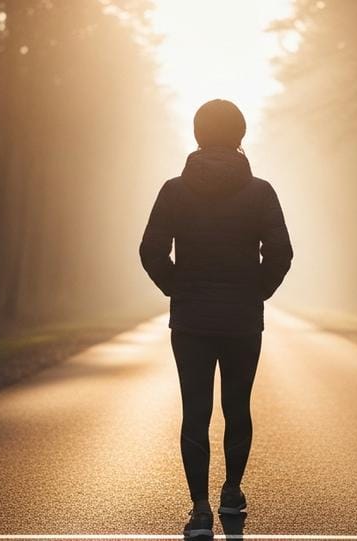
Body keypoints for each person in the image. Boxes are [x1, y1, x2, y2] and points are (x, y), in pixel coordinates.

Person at [139, 99, 293, 539]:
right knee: (237, 407)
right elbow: (281, 253)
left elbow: (150, 251)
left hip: (190, 321)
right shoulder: (261, 191)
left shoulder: (174, 190)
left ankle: (200, 509)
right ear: (240, 135)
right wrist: (256, 291)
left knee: (196, 412)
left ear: (197, 135)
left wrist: (178, 289)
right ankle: (231, 492)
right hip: (243, 319)